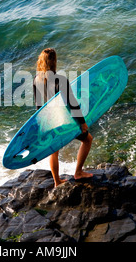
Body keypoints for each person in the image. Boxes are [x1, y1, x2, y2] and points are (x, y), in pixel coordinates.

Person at [33, 48, 93, 187]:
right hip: (63, 120)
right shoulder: (60, 80)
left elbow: (38, 107)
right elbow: (72, 104)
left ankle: (56, 181)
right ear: (54, 61)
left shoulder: (37, 80)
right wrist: (82, 123)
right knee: (87, 139)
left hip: (49, 121)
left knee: (54, 152)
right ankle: (78, 172)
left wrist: (43, 126)